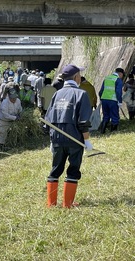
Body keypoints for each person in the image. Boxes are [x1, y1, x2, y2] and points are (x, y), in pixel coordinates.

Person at [44, 64, 92, 208]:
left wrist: (52, 140)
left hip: (57, 139)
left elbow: (48, 120)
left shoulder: (56, 94)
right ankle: (67, 204)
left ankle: (51, 203)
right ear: (76, 77)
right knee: (73, 170)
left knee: (55, 169)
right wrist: (87, 140)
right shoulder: (81, 94)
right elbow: (83, 122)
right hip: (75, 140)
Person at [99, 67, 124, 133]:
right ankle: (113, 132)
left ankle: (102, 131)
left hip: (104, 99)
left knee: (105, 116)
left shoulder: (106, 78)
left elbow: (101, 91)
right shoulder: (118, 80)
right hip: (113, 100)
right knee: (115, 116)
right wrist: (120, 102)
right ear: (120, 74)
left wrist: (101, 98)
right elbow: (118, 92)